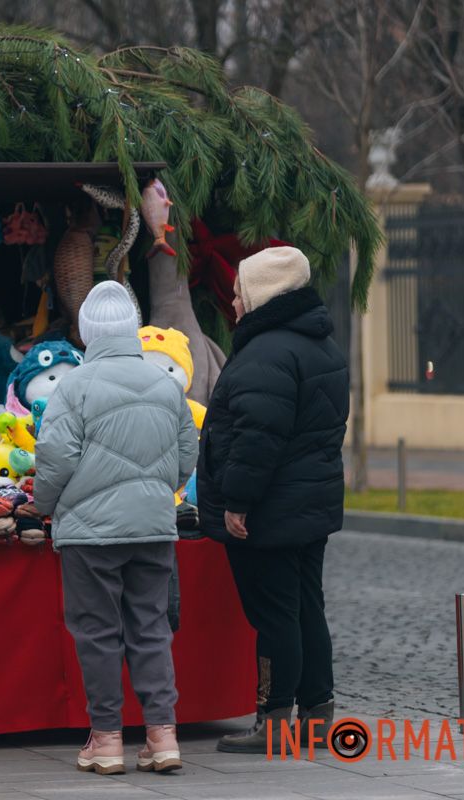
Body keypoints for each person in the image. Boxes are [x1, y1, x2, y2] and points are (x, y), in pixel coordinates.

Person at [34, 281, 198, 776]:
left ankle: (106, 740)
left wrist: (45, 505)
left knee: (98, 632)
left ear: (87, 332)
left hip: (90, 535)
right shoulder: (166, 385)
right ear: (132, 328)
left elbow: (55, 459)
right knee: (151, 628)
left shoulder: (75, 386)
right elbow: (187, 454)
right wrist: (157, 491)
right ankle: (162, 735)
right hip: (153, 528)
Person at [195, 246, 349, 754]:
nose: (234, 302)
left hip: (269, 509)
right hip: (309, 503)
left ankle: (275, 719)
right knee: (307, 607)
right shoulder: (319, 343)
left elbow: (257, 439)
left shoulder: (266, 352)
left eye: (240, 292)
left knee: (275, 615)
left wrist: (237, 501)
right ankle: (318, 715)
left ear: (263, 294)